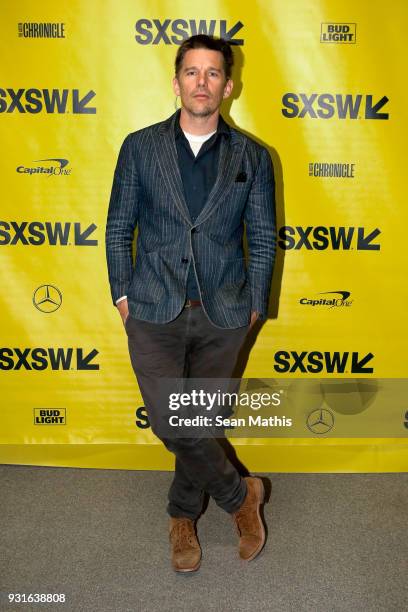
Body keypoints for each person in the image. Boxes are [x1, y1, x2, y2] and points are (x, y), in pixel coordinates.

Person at [105, 34, 276, 572]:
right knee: (172, 422)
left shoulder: (254, 155)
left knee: (197, 418)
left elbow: (265, 235)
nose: (201, 82)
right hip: (152, 307)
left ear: (229, 84)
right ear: (176, 81)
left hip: (225, 310)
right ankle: (238, 496)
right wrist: (122, 293)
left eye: (212, 73)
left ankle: (182, 517)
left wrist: (255, 305)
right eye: (192, 72)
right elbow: (117, 226)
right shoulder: (140, 146)